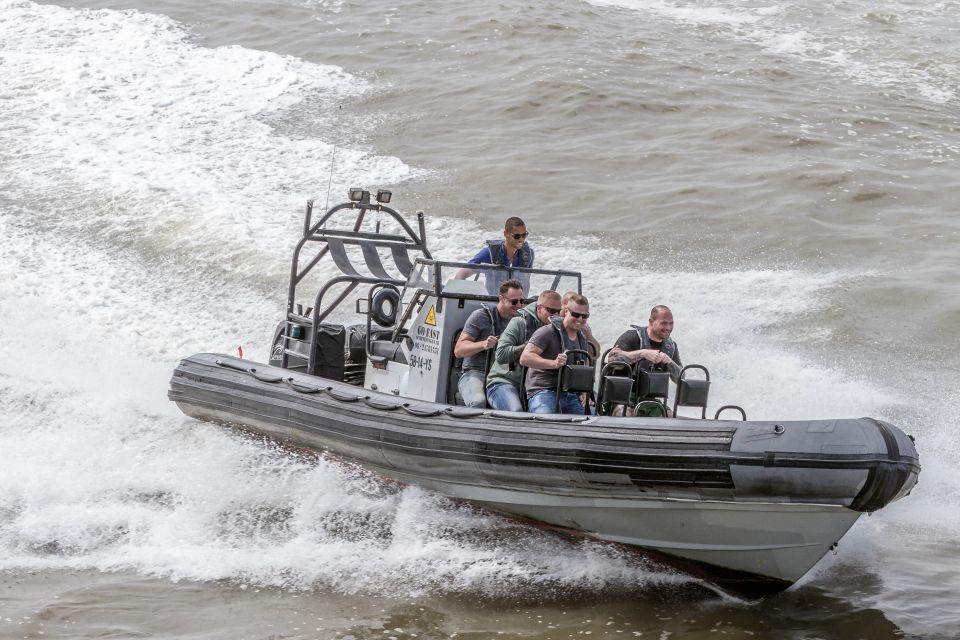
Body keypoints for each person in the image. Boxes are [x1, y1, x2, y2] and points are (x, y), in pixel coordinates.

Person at [485, 289, 562, 412]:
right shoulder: (519, 323)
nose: (556, 315)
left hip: (537, 387)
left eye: (559, 311)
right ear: (539, 309)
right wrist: (530, 345)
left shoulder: (560, 329)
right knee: (516, 411)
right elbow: (501, 354)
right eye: (551, 311)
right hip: (505, 382)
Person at [453, 279, 524, 407]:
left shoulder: (522, 321)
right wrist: (484, 344)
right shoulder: (481, 316)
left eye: (522, 301)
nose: (519, 305)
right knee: (478, 402)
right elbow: (459, 350)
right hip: (476, 372)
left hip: (505, 377)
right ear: (502, 299)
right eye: (514, 301)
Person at [519, 293, 593, 414]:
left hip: (571, 394)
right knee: (547, 419)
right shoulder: (547, 332)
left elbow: (583, 367)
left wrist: (584, 393)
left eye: (584, 316)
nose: (580, 319)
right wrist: (553, 363)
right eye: (575, 314)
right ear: (565, 312)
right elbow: (525, 357)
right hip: (544, 391)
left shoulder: (582, 339)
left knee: (590, 421)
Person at [608, 304, 682, 415]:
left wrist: (669, 362)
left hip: (649, 400)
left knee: (670, 415)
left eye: (671, 323)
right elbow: (612, 359)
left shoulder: (671, 346)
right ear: (651, 322)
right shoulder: (632, 337)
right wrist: (643, 353)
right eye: (664, 323)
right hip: (623, 397)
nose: (668, 328)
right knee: (623, 413)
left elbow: (681, 378)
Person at [455, 217, 534, 294]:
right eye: (517, 236)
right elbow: (461, 274)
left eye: (524, 235)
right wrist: (460, 297)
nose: (521, 239)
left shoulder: (528, 255)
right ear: (506, 234)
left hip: (515, 304)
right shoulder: (490, 253)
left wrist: (522, 304)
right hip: (493, 303)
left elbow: (526, 283)